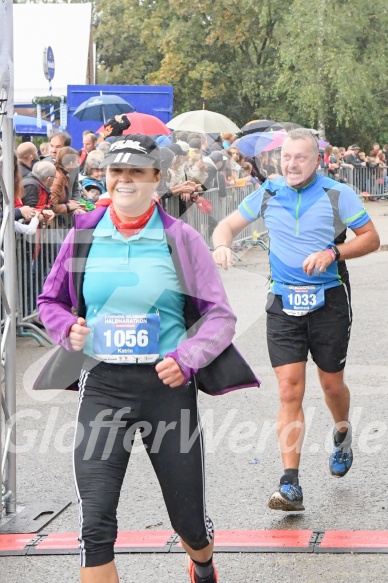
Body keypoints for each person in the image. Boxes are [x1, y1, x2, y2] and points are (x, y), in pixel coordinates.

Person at [37, 134, 242, 583]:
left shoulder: (180, 237)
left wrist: (187, 358)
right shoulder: (85, 232)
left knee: (188, 521)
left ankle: (202, 559)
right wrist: (66, 328)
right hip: (102, 386)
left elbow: (220, 317)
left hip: (166, 389)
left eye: (135, 172)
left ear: (156, 179)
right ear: (105, 177)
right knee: (95, 526)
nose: (124, 180)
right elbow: (49, 301)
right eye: (116, 171)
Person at [212, 128, 380, 512]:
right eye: (286, 157)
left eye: (300, 157)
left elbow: (370, 238)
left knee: (331, 384)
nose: (291, 164)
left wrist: (333, 253)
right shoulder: (269, 192)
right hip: (283, 301)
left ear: (316, 160)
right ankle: (290, 484)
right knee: (289, 389)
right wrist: (221, 244)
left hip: (330, 301)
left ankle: (341, 432)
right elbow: (226, 225)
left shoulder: (338, 193)